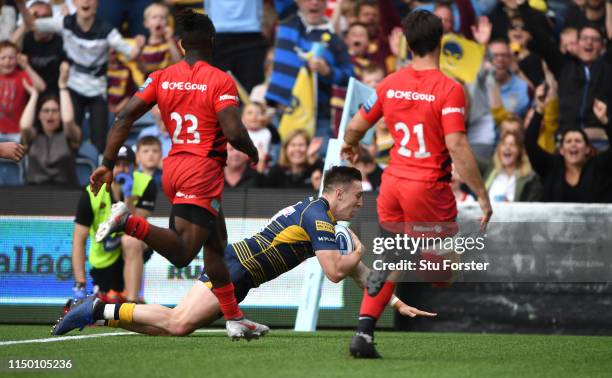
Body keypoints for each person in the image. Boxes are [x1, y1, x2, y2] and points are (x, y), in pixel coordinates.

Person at [52, 166, 436, 336]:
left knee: (172, 329)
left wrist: (395, 301)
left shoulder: (319, 215)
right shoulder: (319, 217)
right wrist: (358, 251)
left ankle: (100, 315)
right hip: (237, 270)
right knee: (176, 323)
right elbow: (338, 271)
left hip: (239, 268)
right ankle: (97, 306)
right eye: (357, 196)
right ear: (338, 193)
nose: (360, 203)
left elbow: (356, 272)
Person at [80, 10, 267, 341]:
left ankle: (233, 317)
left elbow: (123, 117)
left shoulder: (159, 77)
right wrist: (252, 153)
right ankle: (128, 222)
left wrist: (107, 162)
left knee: (216, 246)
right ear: (212, 42)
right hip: (202, 171)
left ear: (180, 45)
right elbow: (235, 132)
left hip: (175, 166)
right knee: (182, 254)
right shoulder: (220, 79)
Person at [341, 10, 492, 358]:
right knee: (445, 274)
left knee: (392, 260)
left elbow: (355, 126)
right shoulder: (449, 89)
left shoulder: (389, 83)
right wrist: (482, 196)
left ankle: (363, 334)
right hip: (426, 188)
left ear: (407, 44)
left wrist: (350, 145)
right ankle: (411, 256)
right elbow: (456, 145)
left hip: (392, 185)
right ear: (440, 42)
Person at [17, 0, 142, 152]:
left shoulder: (108, 31)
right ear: (74, 3)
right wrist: (21, 6)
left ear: (97, 3)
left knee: (99, 143)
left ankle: (95, 174)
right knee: (70, 138)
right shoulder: (65, 23)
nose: (86, 1)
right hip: (73, 88)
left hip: (97, 90)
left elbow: (132, 54)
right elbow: (32, 25)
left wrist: (139, 45)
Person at [68, 145, 157, 308]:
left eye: (126, 164)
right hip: (104, 255)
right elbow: (78, 240)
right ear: (108, 168)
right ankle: (110, 293)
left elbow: (137, 226)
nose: (121, 169)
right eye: (116, 164)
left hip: (131, 248)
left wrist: (128, 197)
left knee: (131, 241)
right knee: (106, 300)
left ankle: (132, 303)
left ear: (134, 167)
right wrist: (80, 284)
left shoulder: (146, 184)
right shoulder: (92, 192)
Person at [525, 83, 612, 203]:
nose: (573, 144)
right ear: (561, 150)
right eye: (568, 141)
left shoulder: (598, 167)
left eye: (578, 141)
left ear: (587, 149)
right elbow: (530, 144)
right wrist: (539, 109)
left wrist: (605, 121)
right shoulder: (551, 167)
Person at [20, 62, 81, 186]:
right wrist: (34, 95)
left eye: (55, 111)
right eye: (46, 111)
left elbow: (68, 120)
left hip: (66, 192)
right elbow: (25, 126)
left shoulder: (69, 135)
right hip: (34, 193)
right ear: (39, 115)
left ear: (61, 113)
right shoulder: (33, 136)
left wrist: (63, 86)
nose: (50, 115)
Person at [11, 1, 66, 94]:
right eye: (36, 17)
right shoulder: (25, 38)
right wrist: (27, 21)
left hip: (54, 97)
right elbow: (8, 49)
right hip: (28, 94)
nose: (41, 21)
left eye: (45, 17)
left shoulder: (61, 41)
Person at [0, 40, 46, 142]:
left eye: (11, 58)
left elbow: (41, 87)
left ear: (17, 59)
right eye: (3, 58)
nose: (7, 61)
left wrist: (26, 66)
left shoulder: (22, 76)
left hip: (16, 132)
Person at [137, 2, 181, 77]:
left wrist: (169, 40)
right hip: (150, 80)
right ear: (146, 23)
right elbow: (142, 69)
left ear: (167, 23)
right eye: (154, 17)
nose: (159, 20)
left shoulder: (172, 41)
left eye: (162, 17)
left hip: (168, 79)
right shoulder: (144, 44)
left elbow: (179, 62)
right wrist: (139, 50)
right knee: (141, 89)